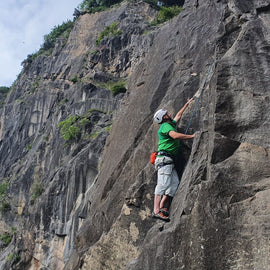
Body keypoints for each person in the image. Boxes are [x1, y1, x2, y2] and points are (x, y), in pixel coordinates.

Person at [152, 99, 195, 221]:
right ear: (164, 118)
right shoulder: (165, 126)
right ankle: (155, 211)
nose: (169, 114)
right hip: (164, 159)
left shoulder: (169, 124)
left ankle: (162, 207)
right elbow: (175, 136)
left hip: (168, 161)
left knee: (174, 184)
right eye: (166, 114)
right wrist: (192, 136)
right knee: (163, 184)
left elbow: (178, 116)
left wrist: (186, 104)